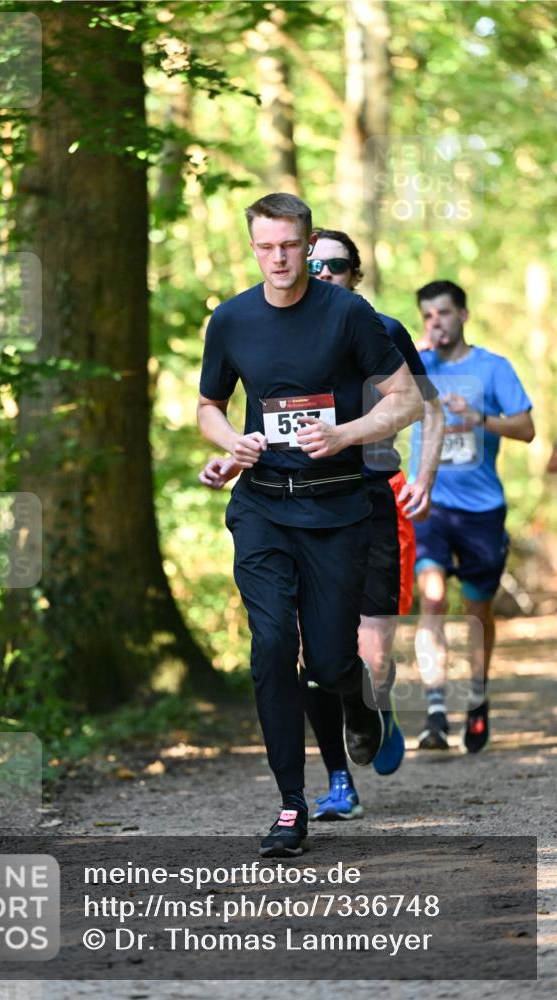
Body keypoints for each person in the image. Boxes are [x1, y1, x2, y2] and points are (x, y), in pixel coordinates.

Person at [197, 193, 423, 857]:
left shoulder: (348, 314)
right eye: (265, 246)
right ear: (252, 245)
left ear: (305, 243)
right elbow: (210, 405)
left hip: (336, 510)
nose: (278, 258)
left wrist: (345, 432)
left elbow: (405, 399)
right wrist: (229, 447)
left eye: (289, 246)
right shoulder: (231, 319)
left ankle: (362, 701)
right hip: (263, 508)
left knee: (327, 662)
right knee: (270, 648)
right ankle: (291, 805)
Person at [412, 280, 534, 753]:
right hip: (431, 504)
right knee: (433, 595)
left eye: (442, 313)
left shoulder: (492, 368)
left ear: (463, 315)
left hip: (482, 510)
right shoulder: (415, 366)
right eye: (426, 316)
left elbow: (526, 428)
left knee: (477, 609)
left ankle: (478, 699)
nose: (434, 322)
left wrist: (480, 419)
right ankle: (436, 712)